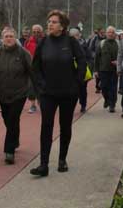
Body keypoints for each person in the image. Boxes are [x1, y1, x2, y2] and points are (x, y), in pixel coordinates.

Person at [29, 10, 86, 177]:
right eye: (49, 21)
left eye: (54, 22)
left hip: (68, 93)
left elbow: (82, 62)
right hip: (48, 93)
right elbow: (35, 67)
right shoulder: (43, 42)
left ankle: (62, 160)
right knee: (46, 126)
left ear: (62, 26)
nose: (50, 24)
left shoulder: (71, 42)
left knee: (65, 126)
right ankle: (43, 165)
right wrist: (41, 86)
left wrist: (77, 84)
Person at [0, 27, 33, 164]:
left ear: (15, 38)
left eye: (11, 36)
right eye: (6, 36)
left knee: (13, 119)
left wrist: (33, 91)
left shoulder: (23, 53)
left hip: (19, 93)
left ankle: (9, 151)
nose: (9, 39)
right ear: (2, 39)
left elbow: (32, 72)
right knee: (8, 120)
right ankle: (15, 139)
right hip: (2, 94)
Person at [93, 25, 119, 113]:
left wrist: (118, 62)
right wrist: (95, 70)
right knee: (104, 87)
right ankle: (107, 99)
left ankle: (112, 105)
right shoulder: (102, 43)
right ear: (106, 34)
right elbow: (97, 58)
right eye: (109, 32)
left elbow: (122, 56)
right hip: (103, 70)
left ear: (115, 34)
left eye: (112, 32)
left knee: (113, 88)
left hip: (114, 70)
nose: (111, 34)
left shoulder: (118, 43)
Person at [69, 27, 90, 113]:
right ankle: (70, 106)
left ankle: (83, 105)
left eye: (76, 36)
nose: (75, 37)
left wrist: (89, 66)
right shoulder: (67, 45)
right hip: (70, 71)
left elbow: (89, 57)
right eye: (72, 36)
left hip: (82, 70)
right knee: (71, 91)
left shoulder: (83, 45)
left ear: (79, 36)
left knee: (82, 89)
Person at [24, 24, 43, 113]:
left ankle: (41, 102)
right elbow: (24, 54)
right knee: (31, 87)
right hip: (31, 68)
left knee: (42, 87)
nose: (36, 33)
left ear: (41, 32)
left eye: (38, 32)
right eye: (34, 32)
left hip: (43, 68)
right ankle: (33, 105)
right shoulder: (28, 41)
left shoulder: (45, 40)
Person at [87, 28, 106, 93]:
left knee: (103, 73)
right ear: (98, 33)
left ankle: (103, 86)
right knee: (97, 74)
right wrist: (95, 55)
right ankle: (98, 87)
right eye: (101, 32)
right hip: (96, 59)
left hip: (104, 60)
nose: (103, 34)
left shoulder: (106, 39)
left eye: (104, 32)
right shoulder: (94, 39)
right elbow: (90, 49)